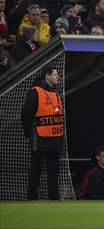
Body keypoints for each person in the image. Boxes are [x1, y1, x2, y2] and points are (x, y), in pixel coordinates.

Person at [20, 65, 63, 200]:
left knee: (54, 171)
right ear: (47, 76)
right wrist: (29, 134)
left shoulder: (55, 93)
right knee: (36, 170)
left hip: (55, 139)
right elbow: (26, 114)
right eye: (55, 74)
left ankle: (54, 198)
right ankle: (32, 198)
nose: (58, 77)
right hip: (40, 138)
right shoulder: (35, 92)